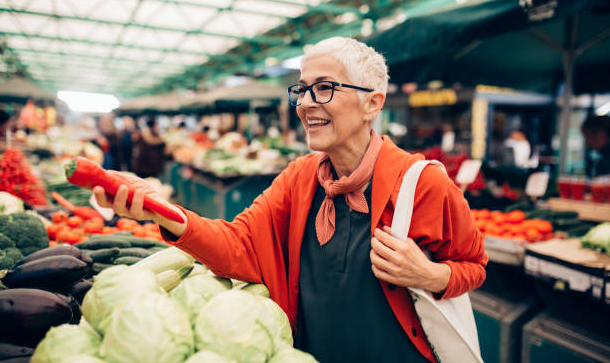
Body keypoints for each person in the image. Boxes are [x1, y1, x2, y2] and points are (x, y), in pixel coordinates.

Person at [94, 37, 487, 363]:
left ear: (373, 103)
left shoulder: (423, 183)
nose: (304, 103)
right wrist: (160, 209)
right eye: (301, 89)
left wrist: (433, 276)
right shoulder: (300, 178)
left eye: (324, 88)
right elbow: (238, 244)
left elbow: (473, 264)